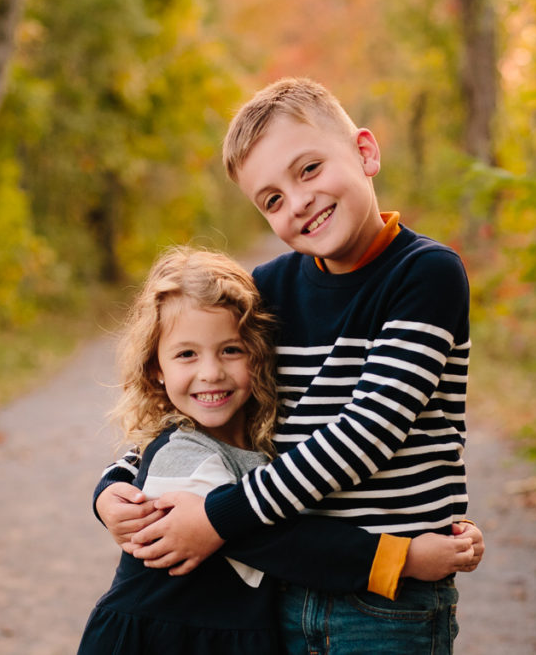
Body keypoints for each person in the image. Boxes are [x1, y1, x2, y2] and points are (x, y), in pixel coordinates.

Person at [96, 78, 484, 654]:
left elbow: (363, 437)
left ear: (365, 152)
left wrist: (216, 519)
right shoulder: (270, 289)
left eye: (308, 170)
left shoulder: (424, 275)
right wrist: (116, 485)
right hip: (280, 588)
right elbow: (213, 418)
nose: (298, 201)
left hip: (389, 603)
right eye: (272, 199)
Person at [78, 246, 476, 655]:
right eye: (186, 354)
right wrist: (403, 559)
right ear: (155, 370)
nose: (211, 372)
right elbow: (283, 543)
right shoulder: (184, 456)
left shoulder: (262, 430)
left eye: (231, 349)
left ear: (261, 352)